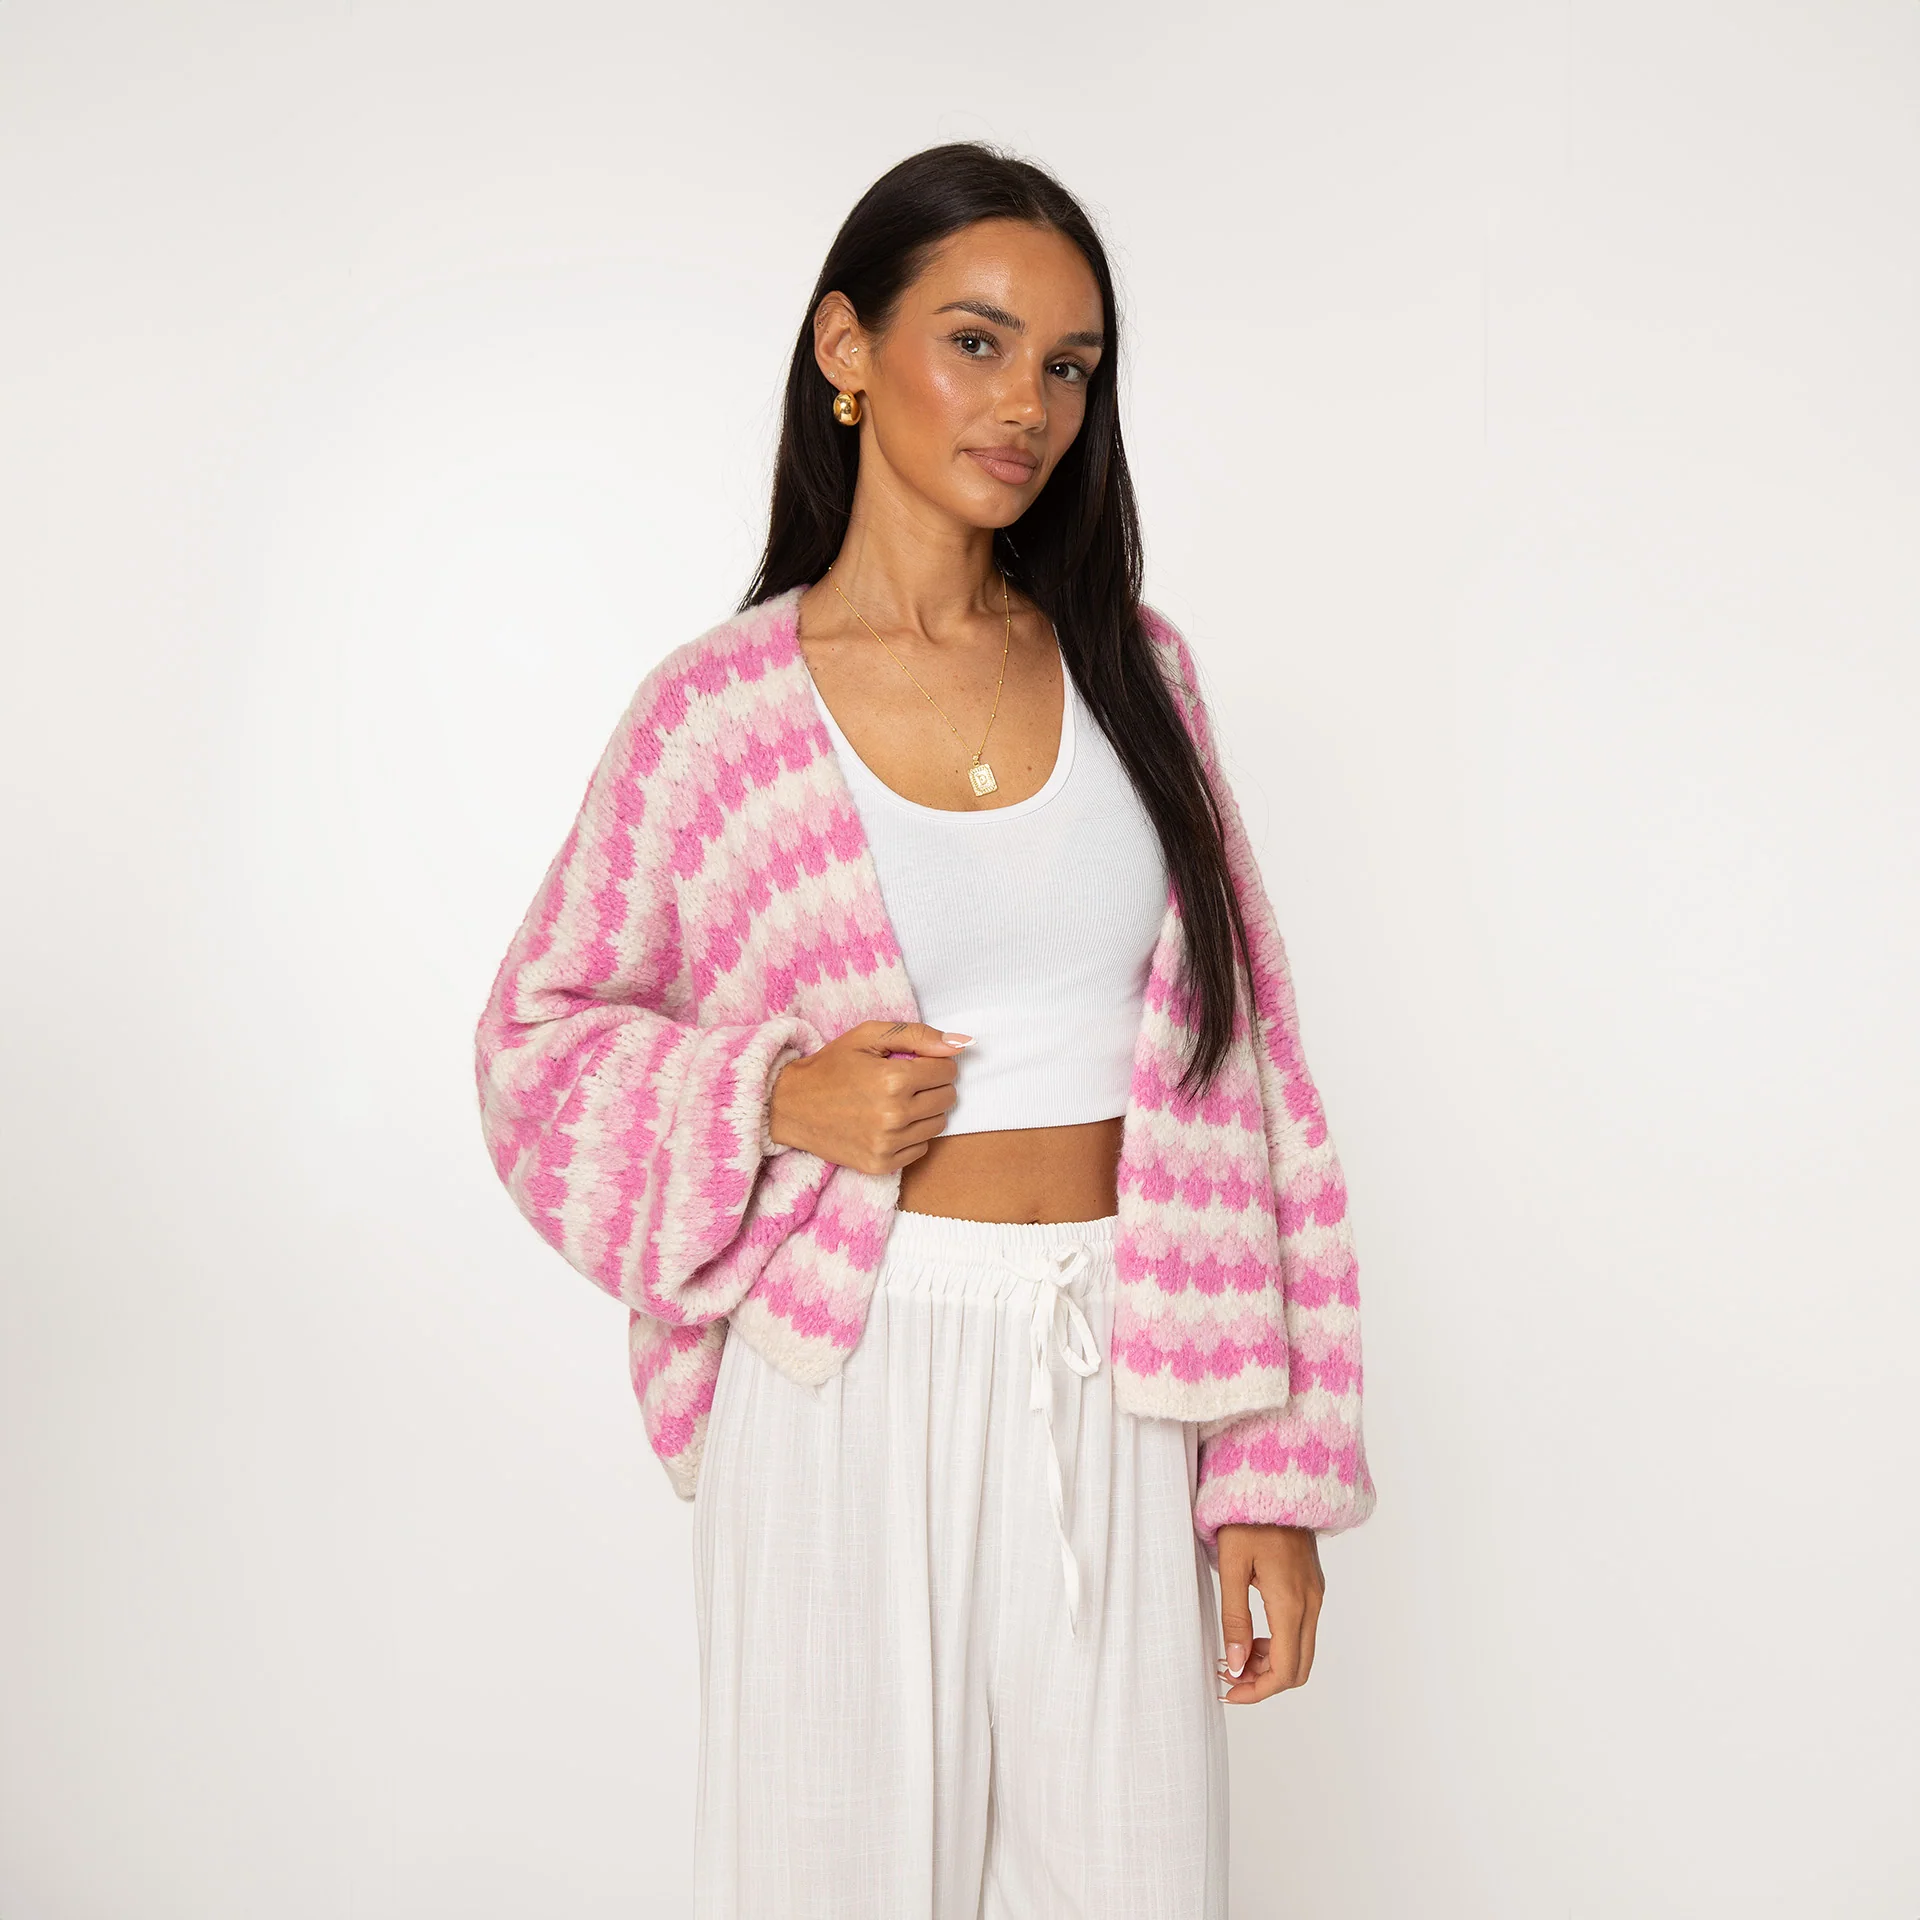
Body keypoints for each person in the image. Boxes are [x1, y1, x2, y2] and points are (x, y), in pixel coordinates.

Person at [474, 141, 1375, 1920]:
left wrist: (1272, 1467)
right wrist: (770, 1096)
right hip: (845, 1372)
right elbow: (535, 1047)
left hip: (1127, 1368)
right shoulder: (718, 715)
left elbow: (1254, 1072)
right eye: (976, 341)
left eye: (1069, 365)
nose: (1029, 403)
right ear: (846, 348)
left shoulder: (1140, 675)